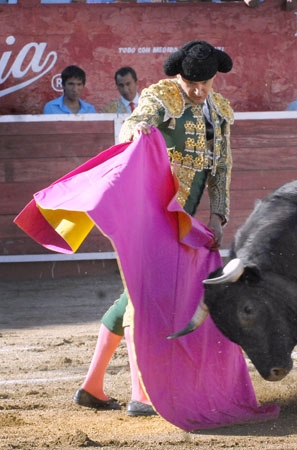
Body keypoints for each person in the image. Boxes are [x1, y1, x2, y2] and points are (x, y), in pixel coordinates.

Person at [74, 41, 234, 417]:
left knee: (133, 297)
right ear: (180, 77)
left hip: (183, 220)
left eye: (205, 83)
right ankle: (141, 394)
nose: (198, 91)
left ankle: (93, 386)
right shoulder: (161, 97)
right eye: (192, 84)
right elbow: (135, 122)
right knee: (144, 298)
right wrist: (136, 133)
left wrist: (217, 215)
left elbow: (221, 167)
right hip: (149, 213)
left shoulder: (219, 111)